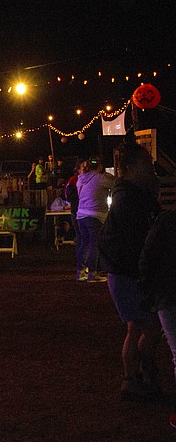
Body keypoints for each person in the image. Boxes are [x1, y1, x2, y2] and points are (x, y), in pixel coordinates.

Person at [98, 141, 162, 401]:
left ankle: (137, 376)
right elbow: (134, 239)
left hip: (126, 272)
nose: (151, 168)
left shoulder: (133, 194)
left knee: (141, 327)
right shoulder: (129, 198)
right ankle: (138, 375)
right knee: (145, 327)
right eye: (146, 164)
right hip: (127, 273)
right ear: (134, 166)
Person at [138, 209, 176, 426]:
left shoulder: (165, 221)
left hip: (167, 293)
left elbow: (147, 257)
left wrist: (147, 287)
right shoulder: (166, 221)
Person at [76, 157, 114, 282]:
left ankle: (80, 271)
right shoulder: (100, 178)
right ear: (99, 168)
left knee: (84, 243)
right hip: (95, 214)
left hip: (81, 214)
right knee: (94, 244)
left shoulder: (80, 180)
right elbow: (114, 183)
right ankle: (92, 273)